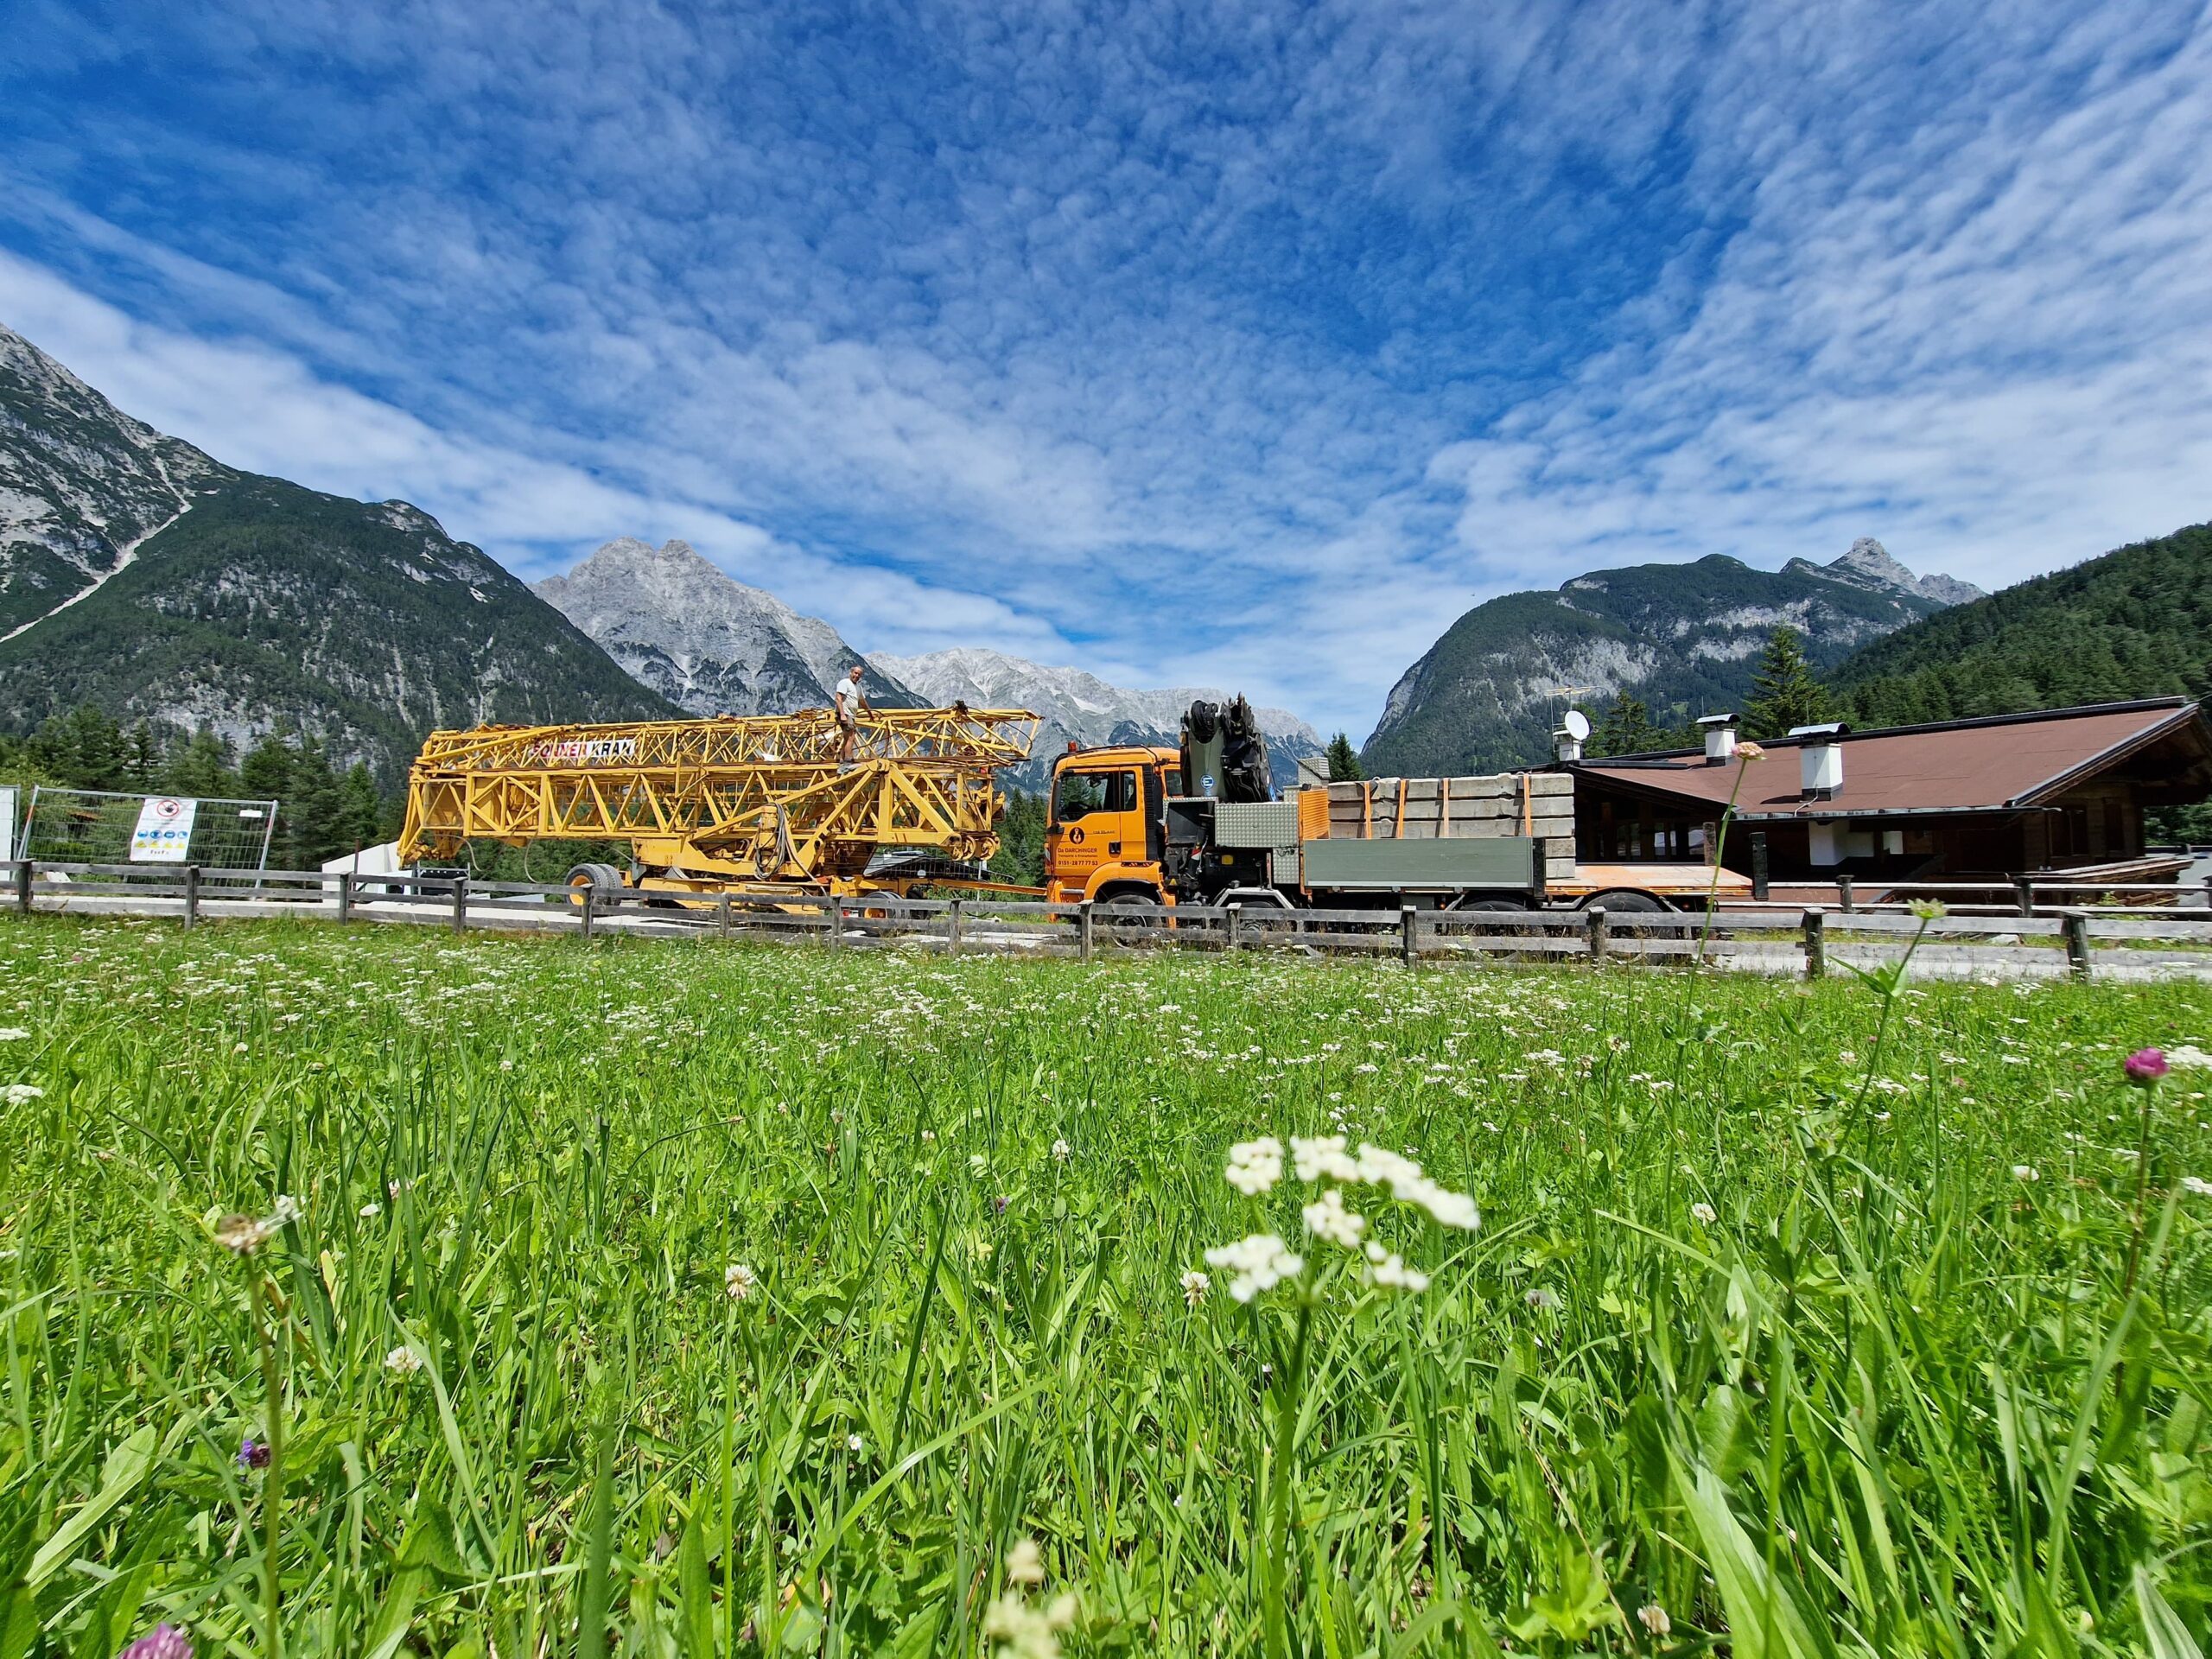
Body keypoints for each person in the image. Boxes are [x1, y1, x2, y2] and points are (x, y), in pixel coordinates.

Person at [832, 664, 868, 766]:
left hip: (851, 715)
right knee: (851, 737)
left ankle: (843, 760)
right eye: (855, 673)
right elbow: (838, 698)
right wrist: (842, 715)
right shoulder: (845, 683)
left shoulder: (858, 687)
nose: (857, 676)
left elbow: (862, 701)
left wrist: (870, 712)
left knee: (847, 737)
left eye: (859, 674)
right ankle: (848, 761)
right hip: (845, 714)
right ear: (851, 673)